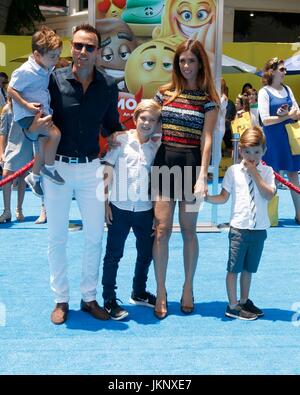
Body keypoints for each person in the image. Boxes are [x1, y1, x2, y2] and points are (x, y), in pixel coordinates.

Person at [30, 23, 123, 325]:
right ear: (71, 48)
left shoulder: (108, 86)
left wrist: (136, 138)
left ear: (98, 52)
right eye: (79, 46)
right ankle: (61, 299)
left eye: (90, 47)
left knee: (95, 237)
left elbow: (111, 126)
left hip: (91, 170)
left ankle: (89, 297)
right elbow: (34, 115)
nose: (83, 52)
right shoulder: (52, 81)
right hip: (57, 168)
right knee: (57, 238)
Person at [152, 39, 219, 319]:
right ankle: (161, 290)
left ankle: (188, 287)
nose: (187, 66)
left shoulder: (209, 100)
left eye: (192, 61)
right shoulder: (163, 94)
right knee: (161, 230)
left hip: (192, 166)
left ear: (201, 63)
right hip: (164, 163)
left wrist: (203, 174)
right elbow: (146, 124)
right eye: (182, 61)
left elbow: (207, 139)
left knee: (189, 231)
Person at [205, 127, 276, 320]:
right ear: (240, 151)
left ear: (264, 151)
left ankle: (244, 300)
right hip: (238, 229)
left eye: (257, 152)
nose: (251, 156)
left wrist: (255, 173)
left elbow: (268, 194)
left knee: (248, 269)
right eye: (247, 151)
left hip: (259, 229)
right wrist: (207, 198)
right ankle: (232, 305)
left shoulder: (268, 171)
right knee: (233, 268)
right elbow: (223, 197)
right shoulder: (233, 171)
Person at [101, 99, 161, 320]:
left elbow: (156, 182)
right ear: (135, 118)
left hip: (145, 210)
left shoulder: (156, 147)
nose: (146, 123)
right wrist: (105, 202)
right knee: (113, 254)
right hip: (118, 208)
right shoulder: (121, 141)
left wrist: (156, 213)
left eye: (152, 120)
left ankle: (139, 292)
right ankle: (108, 298)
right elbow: (107, 168)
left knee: (146, 254)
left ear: (157, 124)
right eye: (143, 118)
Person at [7, 26, 64, 198]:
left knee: (43, 145)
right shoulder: (26, 70)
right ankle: (50, 168)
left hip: (39, 112)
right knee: (55, 135)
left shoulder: (45, 67)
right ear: (37, 55)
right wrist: (26, 105)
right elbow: (10, 89)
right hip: (28, 115)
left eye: (58, 55)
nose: (56, 59)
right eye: (53, 56)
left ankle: (35, 176)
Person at [257, 57, 300, 224]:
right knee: (272, 176)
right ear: (272, 71)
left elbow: (297, 112)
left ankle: (299, 214)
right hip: (272, 139)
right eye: (282, 69)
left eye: (284, 69)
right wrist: (286, 116)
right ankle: (269, 216)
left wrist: (289, 114)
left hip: (290, 138)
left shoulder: (288, 89)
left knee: (293, 175)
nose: (285, 72)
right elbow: (265, 120)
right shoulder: (263, 92)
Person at [0, 97, 32, 223]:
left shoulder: (28, 106)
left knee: (22, 178)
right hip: (11, 147)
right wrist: (1, 152)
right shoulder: (7, 109)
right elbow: (2, 132)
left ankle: (19, 209)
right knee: (6, 176)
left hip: (26, 145)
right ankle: (7, 211)